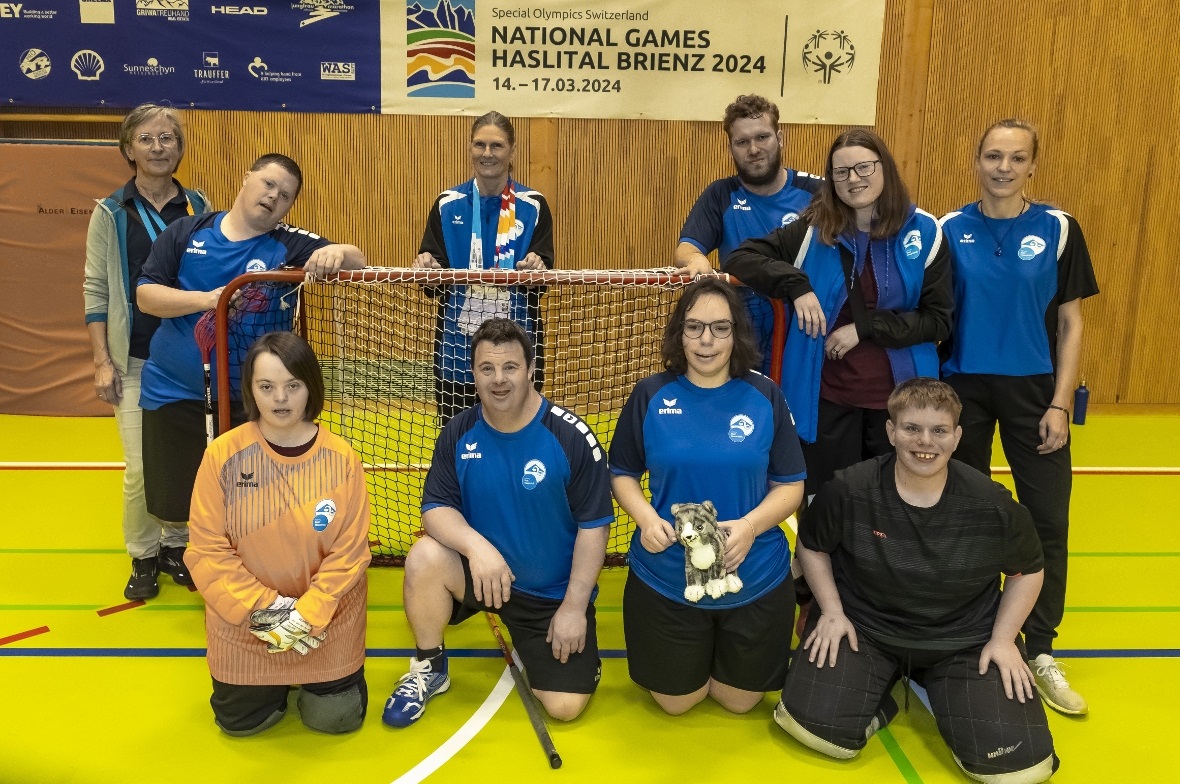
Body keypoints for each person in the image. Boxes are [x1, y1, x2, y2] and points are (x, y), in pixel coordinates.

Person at [775, 378, 1058, 783]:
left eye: (939, 430)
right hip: (866, 629)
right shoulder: (850, 488)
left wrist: (1002, 639)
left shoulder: (991, 503)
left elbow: (1028, 569)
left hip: (963, 639)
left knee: (1021, 768)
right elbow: (812, 544)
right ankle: (883, 692)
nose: (925, 441)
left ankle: (947, 692)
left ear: (957, 437)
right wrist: (833, 612)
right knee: (811, 728)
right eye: (912, 428)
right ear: (891, 432)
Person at [940, 119, 1099, 716]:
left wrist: (1060, 401)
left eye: (1016, 157)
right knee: (968, 515)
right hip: (964, 391)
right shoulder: (948, 230)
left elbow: (1071, 323)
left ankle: (1041, 648)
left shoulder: (1059, 228)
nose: (1003, 167)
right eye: (992, 156)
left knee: (1047, 520)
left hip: (1036, 393)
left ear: (1033, 164)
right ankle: (974, 634)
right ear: (976, 161)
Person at [382, 318, 612, 727]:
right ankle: (429, 667)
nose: (499, 379)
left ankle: (540, 640)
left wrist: (574, 607)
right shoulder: (459, 431)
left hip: (549, 597)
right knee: (424, 556)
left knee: (564, 707)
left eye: (510, 367)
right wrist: (477, 548)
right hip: (485, 576)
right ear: (473, 373)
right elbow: (435, 509)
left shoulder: (570, 436)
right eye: (487, 368)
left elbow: (595, 527)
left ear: (531, 369)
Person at [136, 153, 365, 556]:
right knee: (173, 499)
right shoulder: (187, 231)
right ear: (246, 179)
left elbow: (358, 259)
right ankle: (165, 556)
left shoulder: (288, 243)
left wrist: (338, 252)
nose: (274, 196)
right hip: (173, 392)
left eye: (286, 195)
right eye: (268, 184)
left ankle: (243, 561)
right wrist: (211, 300)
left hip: (249, 405)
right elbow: (146, 296)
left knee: (250, 503)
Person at [609, 278, 806, 715]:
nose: (706, 340)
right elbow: (622, 473)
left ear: (736, 334)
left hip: (753, 572)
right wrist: (645, 518)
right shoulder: (650, 394)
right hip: (667, 574)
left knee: (739, 702)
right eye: (694, 327)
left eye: (720, 328)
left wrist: (750, 527)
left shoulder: (764, 395)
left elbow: (791, 485)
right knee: (676, 703)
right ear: (679, 333)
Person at [724, 128, 952, 503]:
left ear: (884, 167)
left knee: (891, 511)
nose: (853, 179)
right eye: (841, 171)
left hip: (900, 406)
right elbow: (739, 258)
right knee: (828, 508)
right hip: (827, 402)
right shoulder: (813, 229)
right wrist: (796, 284)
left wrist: (864, 329)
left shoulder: (925, 230)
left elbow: (938, 321)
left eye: (864, 167)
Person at [186, 331, 372, 736]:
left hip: (327, 622)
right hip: (246, 622)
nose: (281, 398)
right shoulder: (222, 455)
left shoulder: (342, 459)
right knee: (241, 725)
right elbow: (206, 550)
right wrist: (267, 611)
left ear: (311, 387)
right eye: (267, 386)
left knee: (334, 721)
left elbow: (350, 553)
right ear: (251, 390)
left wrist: (307, 615)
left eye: (293, 385)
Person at [83, 103, 210, 600]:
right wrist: (102, 361)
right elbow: (96, 290)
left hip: (185, 361)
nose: (158, 148)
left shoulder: (199, 207)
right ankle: (142, 553)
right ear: (128, 149)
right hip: (135, 361)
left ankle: (176, 545)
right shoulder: (110, 212)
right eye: (147, 139)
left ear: (180, 148)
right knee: (140, 468)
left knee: (183, 461)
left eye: (167, 138)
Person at [412, 111, 554, 425]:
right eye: (480, 144)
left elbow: (541, 282)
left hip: (517, 348)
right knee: (458, 439)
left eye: (497, 145)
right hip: (456, 353)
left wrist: (536, 268)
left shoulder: (533, 205)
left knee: (518, 435)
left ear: (512, 150)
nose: (487, 153)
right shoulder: (447, 204)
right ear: (470, 148)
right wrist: (427, 269)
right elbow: (433, 281)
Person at [675, 94, 823, 374]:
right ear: (730, 148)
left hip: (807, 330)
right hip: (746, 334)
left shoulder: (818, 193)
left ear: (780, 138)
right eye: (742, 142)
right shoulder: (721, 194)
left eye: (762, 137)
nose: (753, 149)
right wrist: (696, 260)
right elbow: (686, 248)